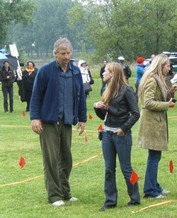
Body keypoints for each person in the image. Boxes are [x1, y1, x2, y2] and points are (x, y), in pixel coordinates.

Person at [30, 37, 87, 206]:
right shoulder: (45, 71)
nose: (66, 56)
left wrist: (82, 118)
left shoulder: (75, 72)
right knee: (52, 159)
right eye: (63, 53)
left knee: (66, 159)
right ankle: (55, 195)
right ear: (55, 54)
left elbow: (81, 97)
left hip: (67, 120)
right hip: (48, 122)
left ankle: (65, 191)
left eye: (69, 53)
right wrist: (35, 118)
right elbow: (36, 96)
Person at [94, 62, 140, 211]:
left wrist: (123, 129)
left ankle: (135, 197)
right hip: (107, 133)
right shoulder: (106, 89)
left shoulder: (127, 90)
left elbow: (136, 113)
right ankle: (110, 201)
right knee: (109, 169)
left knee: (126, 168)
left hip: (121, 135)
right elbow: (104, 116)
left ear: (113, 74)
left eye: (105, 71)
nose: (102, 73)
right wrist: (98, 107)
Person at [137, 53, 177, 199]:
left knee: (155, 156)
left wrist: (170, 93)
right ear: (160, 66)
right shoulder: (152, 80)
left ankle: (154, 186)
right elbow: (147, 102)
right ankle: (150, 190)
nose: (169, 68)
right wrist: (167, 104)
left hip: (156, 122)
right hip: (151, 123)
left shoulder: (159, 80)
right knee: (154, 157)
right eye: (167, 65)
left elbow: (158, 98)